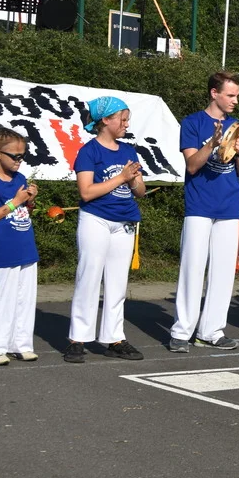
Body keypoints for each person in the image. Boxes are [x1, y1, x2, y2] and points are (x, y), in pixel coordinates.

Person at [168, 73, 239, 354]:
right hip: (200, 206)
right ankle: (182, 331)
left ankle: (211, 331)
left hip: (229, 207)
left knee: (223, 272)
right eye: (230, 95)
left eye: (237, 95)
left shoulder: (237, 126)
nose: (235, 100)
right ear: (214, 93)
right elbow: (192, 166)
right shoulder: (192, 122)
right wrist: (212, 144)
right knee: (192, 267)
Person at [65, 97, 148, 363]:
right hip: (96, 220)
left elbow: (141, 192)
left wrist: (134, 180)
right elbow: (86, 192)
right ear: (105, 120)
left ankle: (114, 337)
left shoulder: (128, 151)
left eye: (127, 119)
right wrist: (121, 178)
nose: (126, 124)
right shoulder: (88, 152)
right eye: (121, 119)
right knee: (89, 277)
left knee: (117, 283)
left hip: (124, 221)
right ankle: (78, 338)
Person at [0, 128, 39, 365]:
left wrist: (30, 200)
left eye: (22, 155)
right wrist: (16, 202)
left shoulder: (19, 178)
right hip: (3, 250)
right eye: (14, 156)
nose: (19, 160)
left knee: (25, 299)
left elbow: (27, 210)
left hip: (25, 247)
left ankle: (20, 344)